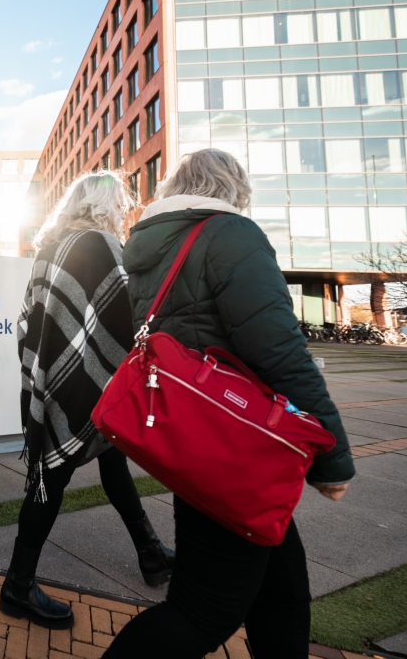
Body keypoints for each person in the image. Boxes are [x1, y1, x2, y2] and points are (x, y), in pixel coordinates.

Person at [103, 149, 354, 659]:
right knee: (201, 611)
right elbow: (279, 351)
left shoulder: (155, 245)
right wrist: (331, 459)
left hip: (200, 433)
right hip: (235, 445)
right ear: (234, 187)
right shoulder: (230, 235)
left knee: (282, 591)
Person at [6, 171, 175, 629]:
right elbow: (131, 311)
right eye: (121, 201)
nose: (125, 209)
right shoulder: (101, 245)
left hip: (58, 377)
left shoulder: (52, 247)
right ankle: (17, 586)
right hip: (83, 383)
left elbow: (29, 321)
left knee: (112, 457)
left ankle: (151, 553)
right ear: (105, 204)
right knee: (52, 476)